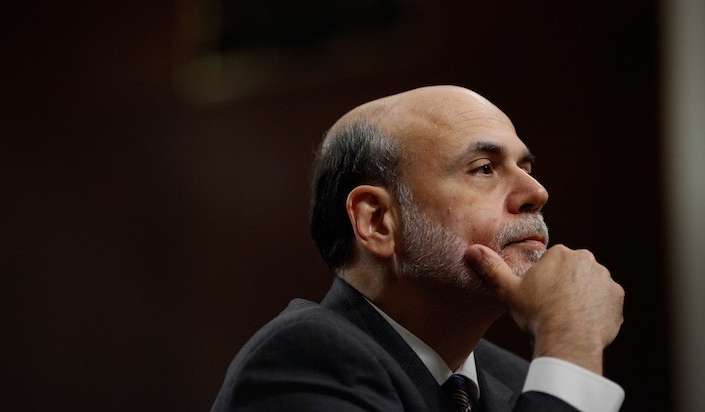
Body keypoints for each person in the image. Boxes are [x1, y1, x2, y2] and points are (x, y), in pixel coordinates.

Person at [212, 85, 625, 411]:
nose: (537, 192)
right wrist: (571, 343)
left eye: (527, 169)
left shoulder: (519, 382)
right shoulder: (304, 360)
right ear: (377, 221)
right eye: (484, 168)